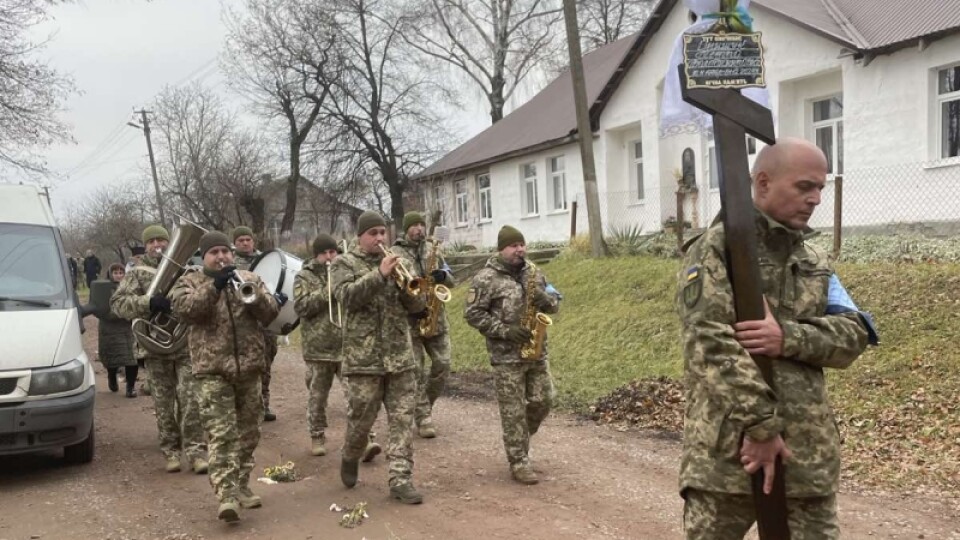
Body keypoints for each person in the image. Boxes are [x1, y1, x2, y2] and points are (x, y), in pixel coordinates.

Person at [677, 138, 876, 539]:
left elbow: (855, 334)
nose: (816, 198)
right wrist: (762, 427)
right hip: (729, 457)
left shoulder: (815, 262)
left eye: (821, 188)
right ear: (763, 183)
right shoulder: (716, 249)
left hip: (807, 456)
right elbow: (710, 344)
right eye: (805, 187)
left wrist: (786, 336)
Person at [171, 231, 283, 522]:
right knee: (222, 435)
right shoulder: (190, 281)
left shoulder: (249, 277)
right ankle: (226, 496)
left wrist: (253, 295)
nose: (221, 257)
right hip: (213, 372)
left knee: (249, 433)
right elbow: (185, 311)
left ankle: (242, 484)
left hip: (249, 369)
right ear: (204, 257)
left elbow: (271, 313)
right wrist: (214, 288)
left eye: (225, 251)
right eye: (214, 252)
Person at [330, 210, 427, 504]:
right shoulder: (343, 263)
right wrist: (379, 275)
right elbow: (345, 297)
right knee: (361, 420)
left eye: (383, 232)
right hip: (363, 359)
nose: (380, 238)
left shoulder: (403, 262)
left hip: (399, 356)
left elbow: (416, 305)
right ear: (360, 237)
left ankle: (400, 478)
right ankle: (351, 453)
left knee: (402, 420)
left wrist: (410, 291)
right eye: (373, 234)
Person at [464, 225, 561, 485]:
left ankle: (520, 439)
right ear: (501, 249)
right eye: (513, 245)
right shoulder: (485, 278)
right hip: (506, 356)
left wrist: (545, 298)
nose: (520, 249)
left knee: (545, 399)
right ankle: (518, 460)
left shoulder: (534, 272)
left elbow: (554, 304)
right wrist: (505, 331)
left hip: (536, 351)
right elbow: (472, 314)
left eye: (522, 244)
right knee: (513, 411)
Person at [111, 224, 208, 474]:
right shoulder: (137, 273)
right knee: (163, 403)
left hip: (185, 345)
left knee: (191, 400)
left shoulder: (188, 270)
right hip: (154, 347)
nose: (158, 245)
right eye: (152, 241)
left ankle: (197, 452)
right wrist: (148, 303)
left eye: (161, 240)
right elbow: (118, 305)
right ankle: (171, 451)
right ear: (146, 246)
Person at [293, 233, 382, 461]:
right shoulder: (304, 276)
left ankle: (365, 438)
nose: (330, 257)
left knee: (356, 397)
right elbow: (301, 306)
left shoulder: (344, 269)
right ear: (316, 255)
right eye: (325, 253)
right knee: (318, 396)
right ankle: (317, 435)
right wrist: (327, 292)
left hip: (346, 345)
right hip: (318, 348)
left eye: (333, 252)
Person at [392, 211, 455, 438]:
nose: (419, 228)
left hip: (436, 318)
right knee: (416, 371)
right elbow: (392, 288)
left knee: (443, 365)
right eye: (415, 225)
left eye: (421, 224)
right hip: (411, 321)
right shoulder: (395, 253)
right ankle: (423, 417)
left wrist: (442, 277)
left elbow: (452, 278)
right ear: (406, 229)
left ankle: (424, 405)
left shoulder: (433, 249)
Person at [232, 226, 280, 422]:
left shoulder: (267, 260)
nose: (245, 243)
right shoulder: (230, 262)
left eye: (248, 239)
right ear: (235, 243)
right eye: (241, 240)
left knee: (266, 364)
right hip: (243, 322)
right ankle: (241, 405)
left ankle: (264, 404)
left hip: (265, 320)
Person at [83, 263, 140, 397]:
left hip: (128, 327)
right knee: (112, 358)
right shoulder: (103, 289)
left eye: (121, 272)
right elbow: (97, 307)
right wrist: (110, 315)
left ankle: (130, 388)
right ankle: (112, 377)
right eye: (116, 272)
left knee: (132, 359)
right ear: (110, 274)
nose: (119, 275)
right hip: (109, 328)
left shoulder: (131, 287)